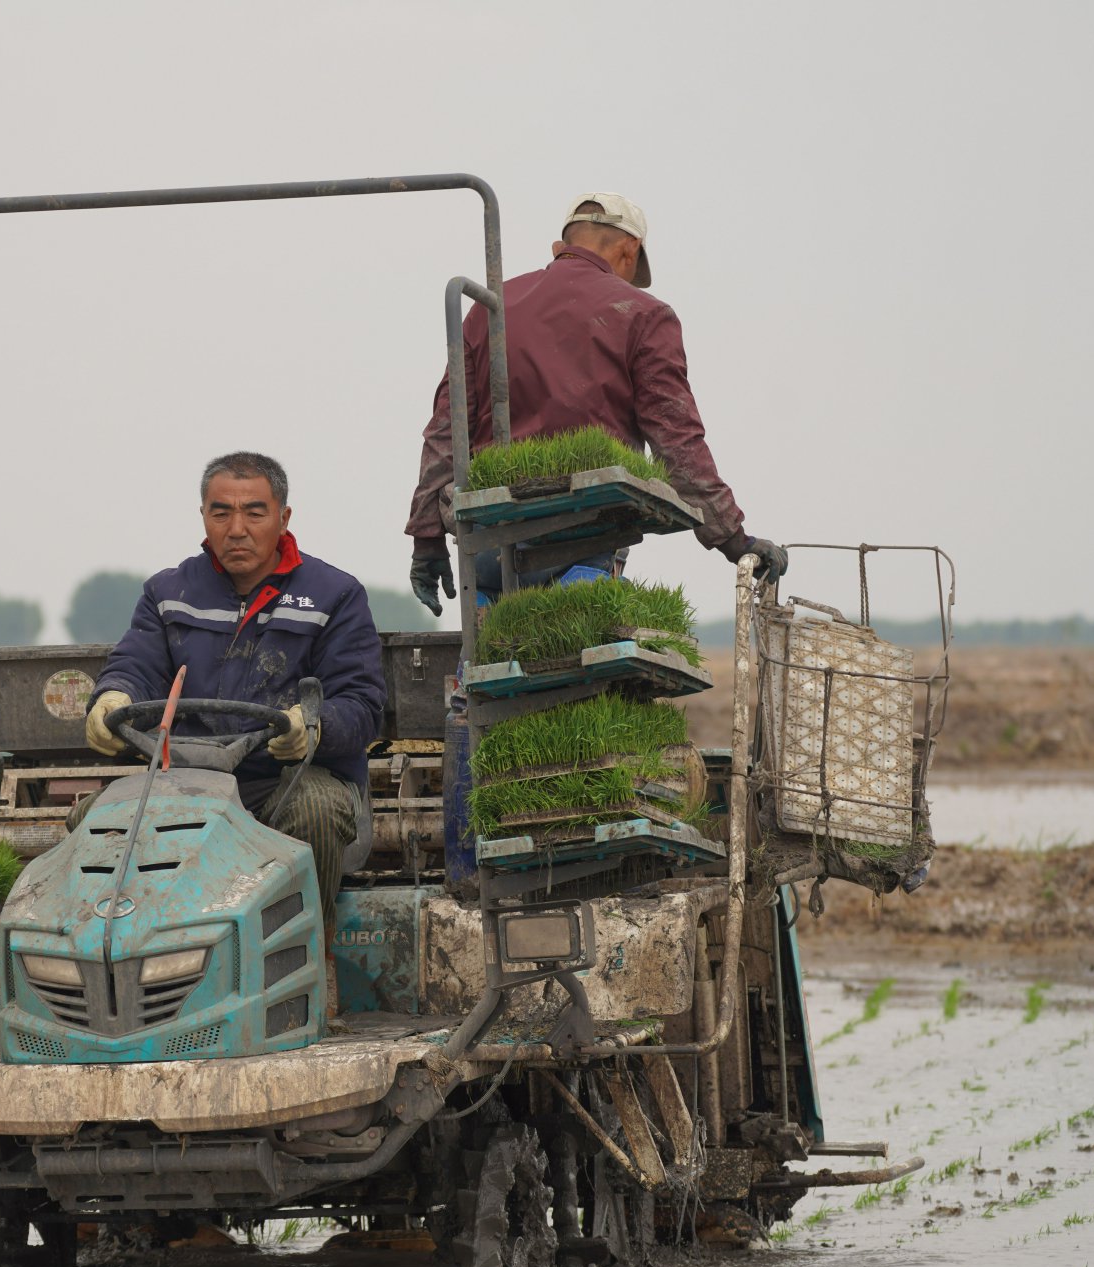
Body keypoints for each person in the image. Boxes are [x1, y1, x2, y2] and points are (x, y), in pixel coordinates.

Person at [84, 451, 386, 1017]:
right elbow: (134, 663)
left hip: (287, 783)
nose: (237, 529)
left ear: (284, 517)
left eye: (254, 512)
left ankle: (305, 972)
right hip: (187, 786)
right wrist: (111, 700)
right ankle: (116, 987)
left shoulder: (335, 595)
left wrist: (309, 728)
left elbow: (363, 704)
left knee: (318, 809)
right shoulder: (167, 592)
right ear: (202, 516)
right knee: (93, 821)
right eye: (221, 513)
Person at [406, 192, 788, 613]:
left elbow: (445, 430)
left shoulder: (488, 308)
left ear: (561, 248)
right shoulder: (644, 314)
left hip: (487, 542)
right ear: (630, 249)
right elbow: (678, 440)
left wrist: (427, 539)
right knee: (574, 664)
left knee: (487, 668)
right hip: (584, 539)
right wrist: (735, 541)